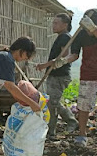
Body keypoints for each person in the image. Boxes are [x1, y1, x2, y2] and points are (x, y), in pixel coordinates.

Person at [53, 9, 97, 147]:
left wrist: (94, 30)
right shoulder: (81, 34)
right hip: (88, 74)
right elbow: (75, 54)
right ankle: (82, 134)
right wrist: (65, 60)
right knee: (83, 106)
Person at [36, 13, 78, 138]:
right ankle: (51, 131)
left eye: (56, 23)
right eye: (53, 22)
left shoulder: (64, 37)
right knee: (51, 104)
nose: (53, 25)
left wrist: (45, 65)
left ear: (65, 25)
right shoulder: (61, 36)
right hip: (55, 75)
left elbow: (63, 57)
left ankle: (71, 121)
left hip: (59, 76)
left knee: (54, 102)